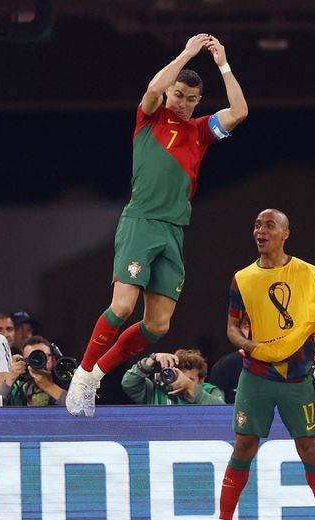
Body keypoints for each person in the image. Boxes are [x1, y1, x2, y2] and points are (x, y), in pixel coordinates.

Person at [66, 33, 248, 418]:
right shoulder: (149, 118)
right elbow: (153, 87)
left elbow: (240, 110)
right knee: (122, 306)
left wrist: (224, 65)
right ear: (171, 94)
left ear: (199, 102)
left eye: (191, 98)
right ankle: (82, 375)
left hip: (173, 232)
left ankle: (97, 374)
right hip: (140, 224)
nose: (182, 102)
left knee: (157, 326)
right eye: (179, 94)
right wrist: (186, 53)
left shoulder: (201, 132)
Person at [217, 209, 315, 520]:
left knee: (309, 449)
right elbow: (232, 328)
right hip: (256, 376)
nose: (260, 230)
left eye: (269, 225)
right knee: (243, 446)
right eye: (257, 225)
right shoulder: (242, 279)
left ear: (285, 233)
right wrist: (249, 345)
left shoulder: (308, 273)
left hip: (298, 378)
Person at [121, 348, 225, 405]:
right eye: (179, 376)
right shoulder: (157, 391)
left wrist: (190, 387)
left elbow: (222, 411)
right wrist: (152, 359)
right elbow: (128, 383)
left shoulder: (211, 391)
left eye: (189, 379)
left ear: (201, 380)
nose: (181, 382)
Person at [0, 335, 67, 406]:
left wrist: (50, 387)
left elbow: (76, 408)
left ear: (53, 360)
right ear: (24, 361)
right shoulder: (17, 388)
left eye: (44, 356)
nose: (38, 362)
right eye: (33, 358)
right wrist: (9, 379)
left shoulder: (65, 382)